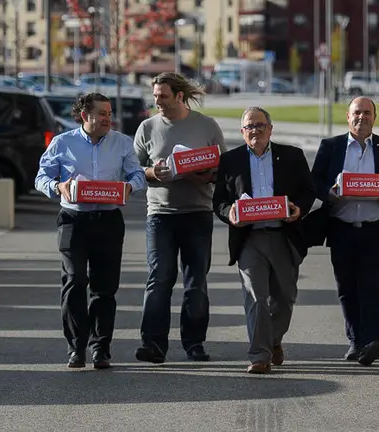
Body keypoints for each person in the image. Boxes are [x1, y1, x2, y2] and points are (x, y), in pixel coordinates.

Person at [305, 97, 379, 366]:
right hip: (341, 229)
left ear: (374, 117)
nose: (362, 117)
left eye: (367, 113)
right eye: (357, 113)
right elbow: (314, 182)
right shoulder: (331, 147)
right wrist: (330, 194)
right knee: (347, 288)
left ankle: (371, 341)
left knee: (372, 286)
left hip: (376, 229)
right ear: (348, 117)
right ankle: (355, 340)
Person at [34, 92, 146, 369]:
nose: (109, 118)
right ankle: (76, 347)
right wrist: (58, 187)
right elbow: (41, 177)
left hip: (108, 221)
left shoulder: (122, 143)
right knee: (74, 280)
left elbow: (138, 174)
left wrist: (129, 187)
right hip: (73, 220)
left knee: (104, 288)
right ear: (85, 116)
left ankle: (101, 348)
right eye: (103, 113)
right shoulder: (62, 143)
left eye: (110, 113)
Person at [133, 72, 228, 363]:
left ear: (179, 96)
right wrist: (153, 172)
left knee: (195, 282)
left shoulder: (206, 125)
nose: (157, 101)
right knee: (159, 278)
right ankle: (153, 345)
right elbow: (134, 172)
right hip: (160, 214)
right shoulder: (147, 127)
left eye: (163, 95)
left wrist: (205, 175)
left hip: (197, 214)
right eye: (155, 95)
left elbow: (222, 169)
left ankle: (194, 343)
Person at [212, 107, 315, 374]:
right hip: (249, 239)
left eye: (260, 125)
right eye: (249, 127)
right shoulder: (230, 160)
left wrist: (298, 209)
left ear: (270, 128)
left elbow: (308, 190)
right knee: (256, 296)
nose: (255, 130)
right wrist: (230, 213)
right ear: (242, 132)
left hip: (283, 236)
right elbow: (220, 201)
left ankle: (273, 340)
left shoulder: (292, 156)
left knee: (284, 298)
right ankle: (259, 355)